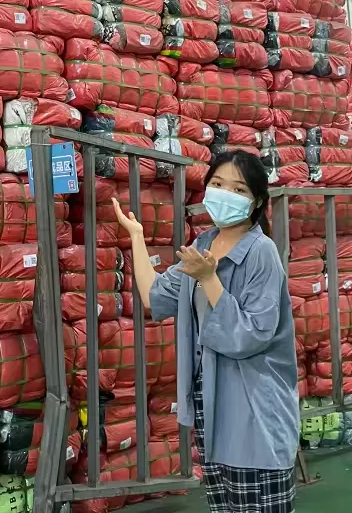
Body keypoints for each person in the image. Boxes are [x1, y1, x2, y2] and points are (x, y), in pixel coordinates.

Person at [112, 149, 300, 513]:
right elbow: (155, 296)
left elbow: (249, 336)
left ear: (257, 200)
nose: (224, 194)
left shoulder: (261, 253)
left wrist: (209, 278)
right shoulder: (202, 245)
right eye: (217, 184)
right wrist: (136, 236)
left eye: (238, 189)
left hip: (254, 411)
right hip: (210, 405)